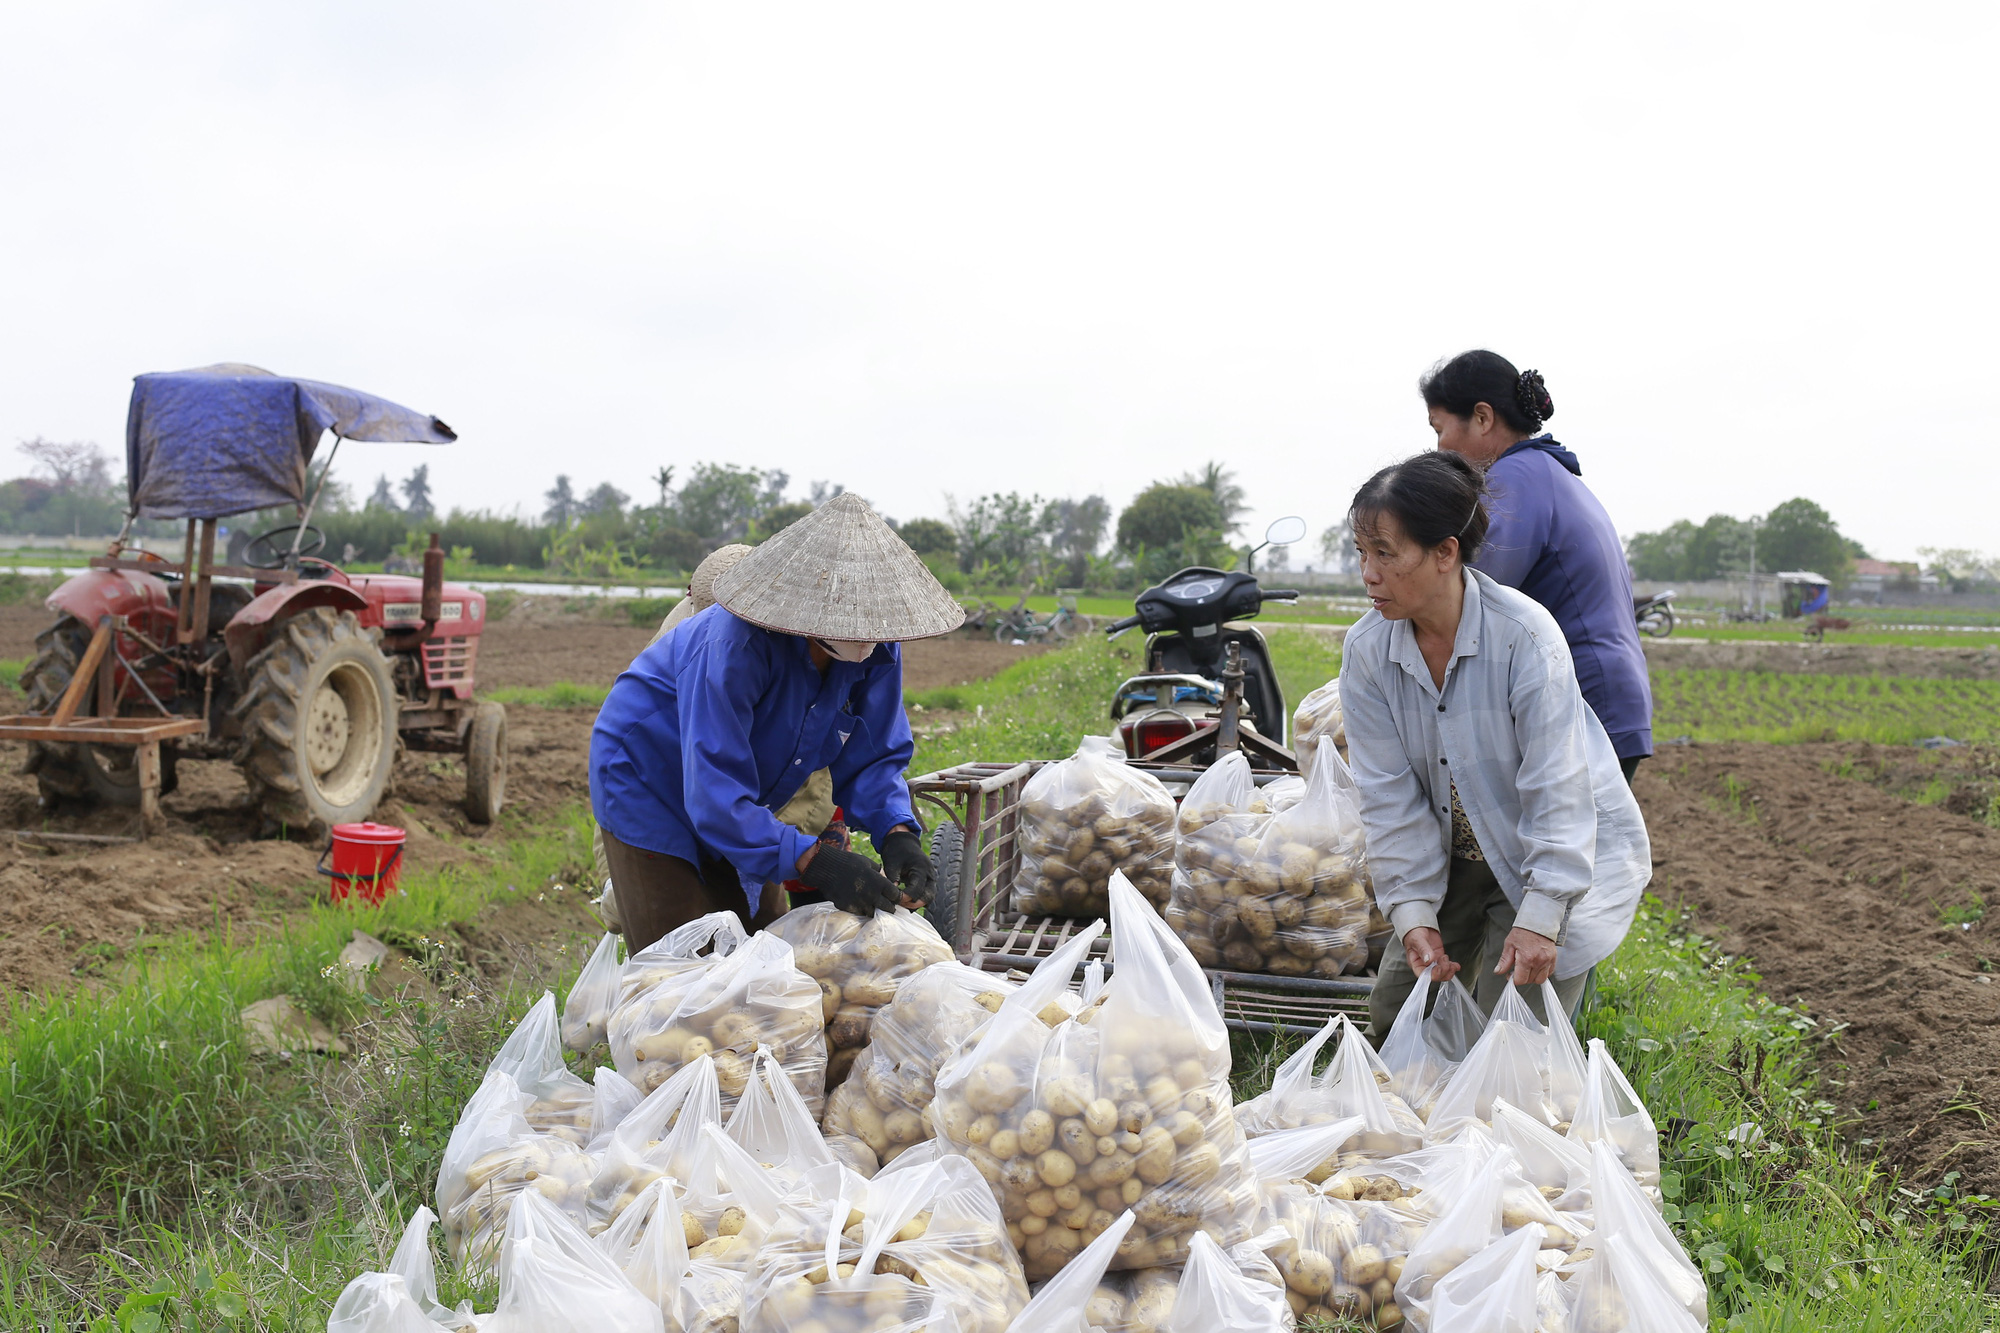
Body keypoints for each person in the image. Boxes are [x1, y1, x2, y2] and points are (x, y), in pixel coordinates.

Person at [1338, 452, 1650, 1035]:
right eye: (1361, 553)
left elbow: (1557, 787)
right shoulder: (1367, 651)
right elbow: (1387, 794)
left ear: (1445, 553)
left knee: (1506, 1034)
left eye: (1385, 552)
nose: (1368, 573)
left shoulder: (1524, 638)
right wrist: (1411, 914)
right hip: (1452, 853)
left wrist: (1542, 915)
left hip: (1542, 851)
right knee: (1400, 1012)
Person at [589, 494, 963, 951]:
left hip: (745, 792)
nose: (869, 641)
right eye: (854, 626)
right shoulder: (738, 647)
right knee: (686, 957)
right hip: (649, 777)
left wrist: (897, 834)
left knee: (760, 940)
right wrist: (816, 861)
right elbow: (714, 788)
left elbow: (873, 754)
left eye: (875, 627)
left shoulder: (875, 646)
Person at [1421, 351, 1654, 780]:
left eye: (1441, 430)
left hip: (1585, 703)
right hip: (1601, 698)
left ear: (1483, 417)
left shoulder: (1516, 480)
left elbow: (1468, 597)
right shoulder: (1548, 470)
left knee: (1561, 845)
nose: (1440, 448)